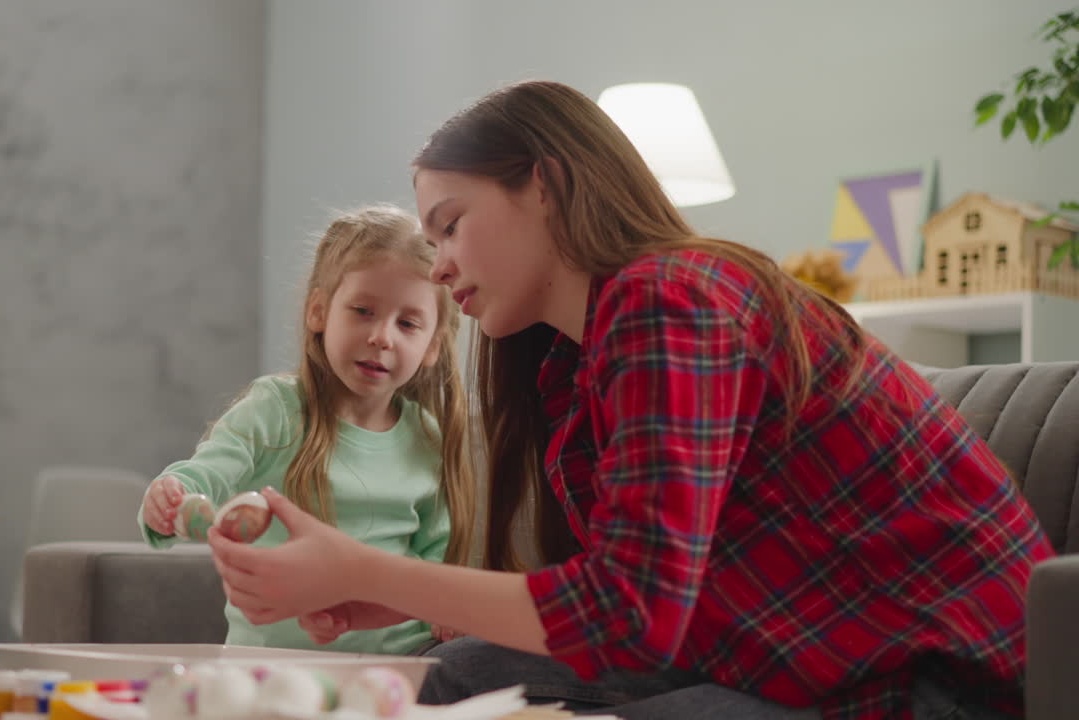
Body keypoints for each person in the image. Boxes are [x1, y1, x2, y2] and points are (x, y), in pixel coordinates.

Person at [208, 81, 1052, 719]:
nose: (440, 265)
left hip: (938, 676)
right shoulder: (575, 365)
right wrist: (399, 597)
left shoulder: (672, 297)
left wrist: (363, 567)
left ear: (544, 185)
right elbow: (638, 594)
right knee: (459, 673)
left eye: (451, 224)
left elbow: (627, 613)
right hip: (790, 655)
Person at [139, 204, 473, 655]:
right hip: (274, 664)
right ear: (319, 311)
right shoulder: (274, 411)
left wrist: (445, 608)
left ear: (431, 346)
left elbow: (437, 551)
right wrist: (171, 496)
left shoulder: (427, 437)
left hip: (401, 665)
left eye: (407, 323)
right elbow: (209, 473)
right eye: (363, 311)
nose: (382, 337)